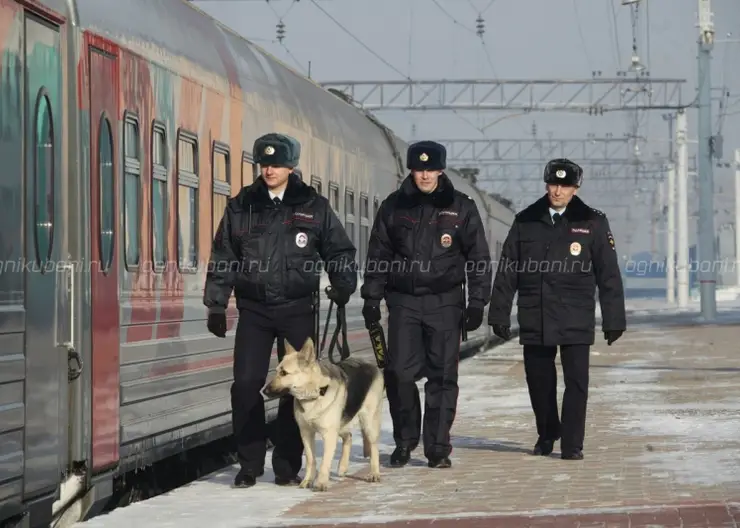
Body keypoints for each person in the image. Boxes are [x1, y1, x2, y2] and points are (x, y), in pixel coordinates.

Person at [203, 133, 357, 487]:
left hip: (297, 309)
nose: (269, 169)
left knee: (297, 388)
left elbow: (339, 250)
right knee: (245, 385)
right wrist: (216, 303)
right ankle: (250, 464)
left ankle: (287, 466)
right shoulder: (242, 205)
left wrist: (343, 283)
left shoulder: (313, 206)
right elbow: (224, 256)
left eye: (276, 164)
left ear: (291, 167)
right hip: (254, 311)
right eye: (264, 163)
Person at [360, 140, 492, 469]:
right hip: (403, 302)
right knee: (399, 375)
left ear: (441, 170)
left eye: (430, 169)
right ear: (411, 170)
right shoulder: (393, 206)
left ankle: (438, 448)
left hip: (445, 303)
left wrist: (477, 302)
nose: (424, 175)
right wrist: (371, 297)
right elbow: (378, 254)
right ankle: (405, 441)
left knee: (443, 378)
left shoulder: (461, 207)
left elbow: (478, 258)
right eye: (419, 169)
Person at [487, 158, 626, 460]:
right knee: (539, 382)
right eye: (553, 184)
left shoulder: (593, 222)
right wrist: (498, 312)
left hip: (576, 314)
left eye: (565, 185)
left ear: (576, 188)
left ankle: (572, 444)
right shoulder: (525, 220)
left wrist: (614, 319)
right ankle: (548, 432)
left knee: (576, 383)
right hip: (535, 313)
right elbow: (508, 269)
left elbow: (608, 274)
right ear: (546, 183)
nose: (558, 191)